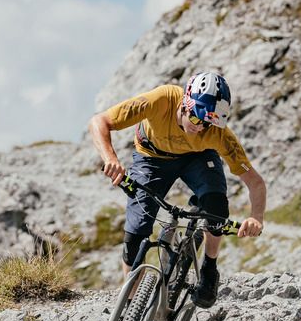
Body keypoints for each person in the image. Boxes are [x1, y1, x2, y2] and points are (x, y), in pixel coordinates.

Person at [87, 71, 266, 308]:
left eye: (207, 123)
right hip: (152, 157)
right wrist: (110, 158)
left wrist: (256, 218)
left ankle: (210, 267)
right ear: (184, 103)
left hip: (198, 158)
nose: (199, 127)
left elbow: (255, 182)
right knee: (136, 229)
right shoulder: (161, 99)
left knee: (216, 209)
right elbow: (99, 121)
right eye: (195, 119)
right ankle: (128, 301)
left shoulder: (218, 133)